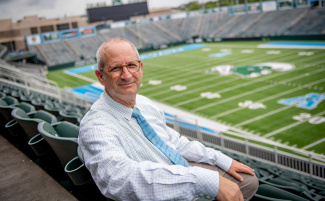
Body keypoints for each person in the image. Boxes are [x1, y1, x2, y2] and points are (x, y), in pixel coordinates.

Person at [78, 37, 258, 201]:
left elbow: (175, 142)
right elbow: (118, 178)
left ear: (140, 68)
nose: (126, 75)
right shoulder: (96, 125)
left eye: (131, 65)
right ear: (101, 76)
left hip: (175, 166)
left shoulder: (144, 103)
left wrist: (222, 160)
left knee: (248, 181)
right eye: (116, 68)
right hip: (158, 188)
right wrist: (200, 181)